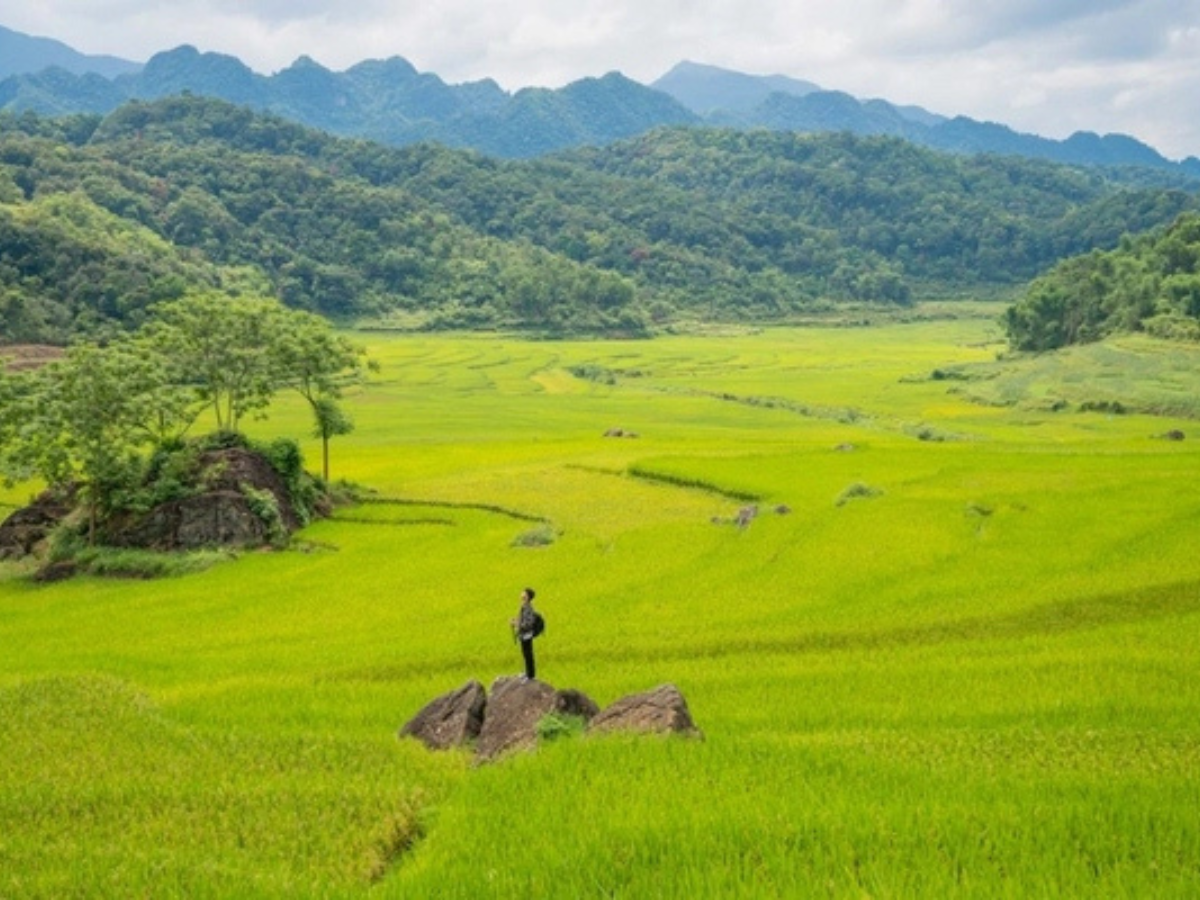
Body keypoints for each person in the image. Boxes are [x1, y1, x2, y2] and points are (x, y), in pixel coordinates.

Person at [511, 587, 539, 681]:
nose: (521, 594)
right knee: (525, 654)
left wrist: (517, 624)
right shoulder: (524, 606)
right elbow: (523, 620)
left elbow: (528, 623)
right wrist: (516, 621)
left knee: (528, 655)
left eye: (524, 593)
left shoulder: (528, 608)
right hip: (523, 635)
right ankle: (527, 673)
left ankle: (530, 675)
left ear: (527, 596)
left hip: (527, 635)